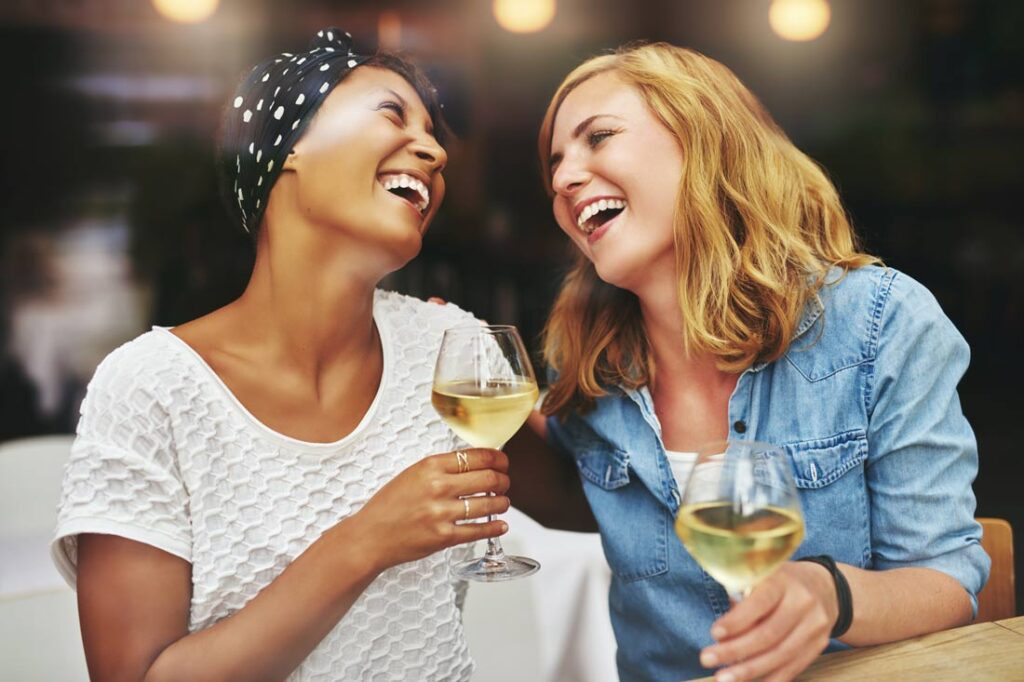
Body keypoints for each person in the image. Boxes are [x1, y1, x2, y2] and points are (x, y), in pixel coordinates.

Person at [506, 42, 990, 682]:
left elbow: (948, 584)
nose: (564, 178)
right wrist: (435, 370)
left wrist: (828, 595)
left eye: (598, 137)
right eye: (556, 163)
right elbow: (566, 495)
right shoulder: (592, 365)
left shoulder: (880, 323)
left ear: (705, 137)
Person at [51, 28, 511, 681]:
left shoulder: (443, 349)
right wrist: (367, 540)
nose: (434, 150)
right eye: (391, 113)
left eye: (433, 132)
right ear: (287, 148)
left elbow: (600, 493)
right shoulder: (151, 389)